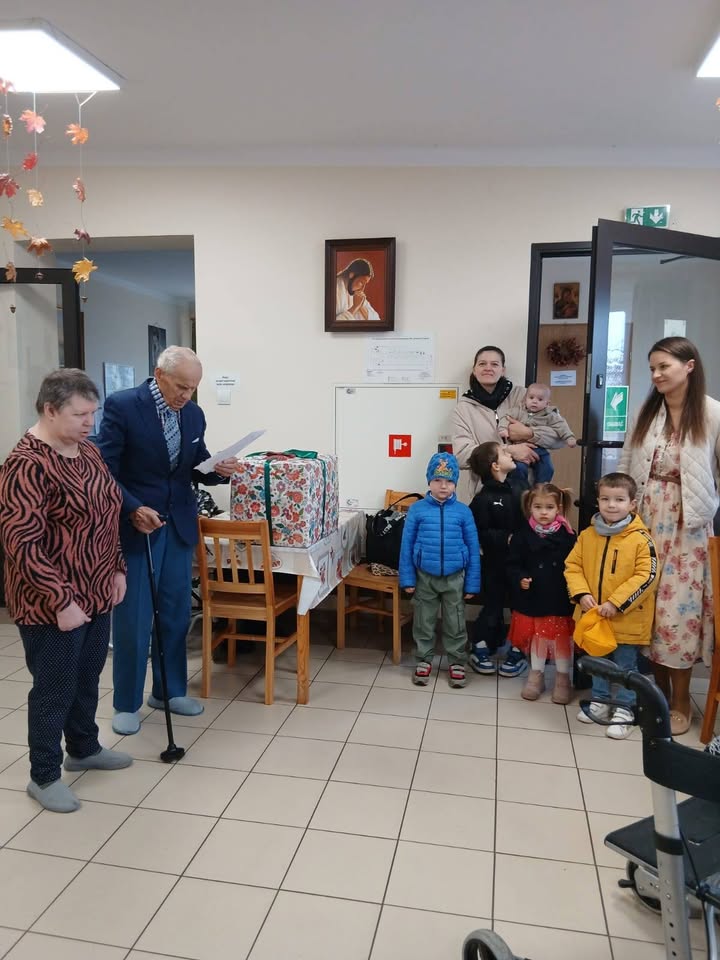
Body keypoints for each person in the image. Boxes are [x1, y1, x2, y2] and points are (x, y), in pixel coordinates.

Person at [0, 369, 132, 813]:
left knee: (87, 677)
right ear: (50, 410)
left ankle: (84, 747)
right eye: (80, 414)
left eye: (93, 413)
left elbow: (108, 511)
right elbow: (21, 542)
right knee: (54, 689)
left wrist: (116, 568)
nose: (90, 422)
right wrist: (61, 600)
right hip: (50, 603)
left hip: (96, 590)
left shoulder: (87, 450)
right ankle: (43, 775)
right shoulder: (26, 464)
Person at [97, 346, 239, 736]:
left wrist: (219, 471)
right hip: (138, 527)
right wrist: (131, 508)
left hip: (178, 527)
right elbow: (104, 470)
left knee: (175, 614)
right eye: (180, 386)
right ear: (159, 375)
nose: (186, 395)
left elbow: (194, 467)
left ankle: (169, 691)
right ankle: (126, 702)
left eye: (192, 388)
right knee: (134, 617)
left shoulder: (193, 414)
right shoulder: (124, 406)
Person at [618, 336, 720, 736]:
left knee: (678, 614)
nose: (657, 375)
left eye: (664, 366)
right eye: (652, 368)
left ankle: (680, 701)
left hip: (688, 527)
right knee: (647, 608)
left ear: (689, 366)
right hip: (645, 521)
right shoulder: (647, 413)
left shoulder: (711, 413)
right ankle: (656, 695)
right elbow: (627, 462)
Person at [564, 472, 659, 739]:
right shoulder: (587, 535)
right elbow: (573, 566)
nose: (612, 505)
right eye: (605, 499)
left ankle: (626, 708)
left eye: (619, 499)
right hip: (595, 617)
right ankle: (601, 701)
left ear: (632, 504)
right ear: (598, 502)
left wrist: (616, 603)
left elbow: (647, 576)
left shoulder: (641, 539)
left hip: (626, 619)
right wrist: (581, 594)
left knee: (625, 667)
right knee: (597, 663)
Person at [398, 452, 480, 688]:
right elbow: (406, 546)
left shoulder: (464, 512)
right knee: (423, 622)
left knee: (456, 622)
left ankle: (457, 661)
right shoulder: (417, 510)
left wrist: (472, 583)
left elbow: (473, 548)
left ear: (455, 483)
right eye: (437, 480)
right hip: (425, 577)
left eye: (449, 481)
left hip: (455, 578)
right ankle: (423, 660)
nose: (443, 486)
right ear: (429, 481)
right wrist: (407, 579)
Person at [506, 483, 577, 703]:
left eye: (549, 507)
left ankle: (563, 678)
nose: (543, 512)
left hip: (559, 599)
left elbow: (576, 565)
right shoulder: (521, 535)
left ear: (559, 508)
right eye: (538, 507)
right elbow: (513, 564)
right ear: (530, 507)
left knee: (561, 641)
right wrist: (520, 578)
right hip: (533, 598)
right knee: (538, 639)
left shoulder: (568, 536)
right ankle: (536, 675)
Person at [450, 345, 539, 503]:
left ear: (503, 370)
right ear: (474, 370)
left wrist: (529, 433)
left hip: (528, 494)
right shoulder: (463, 408)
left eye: (494, 364)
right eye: (482, 364)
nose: (488, 368)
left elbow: (556, 435)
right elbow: (461, 456)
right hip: (485, 495)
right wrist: (508, 450)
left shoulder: (525, 396)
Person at [467, 441, 524, 676]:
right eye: (503, 452)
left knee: (521, 606)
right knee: (492, 606)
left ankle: (518, 650)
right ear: (495, 466)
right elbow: (477, 531)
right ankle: (480, 646)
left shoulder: (518, 489)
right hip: (493, 563)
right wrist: (505, 538)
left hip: (519, 564)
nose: (509, 453)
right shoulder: (483, 498)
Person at [498, 382, 577, 484]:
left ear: (547, 403)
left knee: (548, 468)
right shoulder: (518, 411)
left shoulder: (550, 415)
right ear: (525, 399)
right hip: (520, 447)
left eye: (540, 399)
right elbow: (506, 417)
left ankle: (540, 488)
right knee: (519, 469)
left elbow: (561, 426)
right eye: (531, 398)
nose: (534, 401)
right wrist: (503, 428)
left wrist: (569, 437)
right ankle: (521, 489)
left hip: (540, 449)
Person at [335, 258, 381, 324]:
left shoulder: (355, 291)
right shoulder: (335, 289)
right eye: (361, 282)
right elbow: (336, 324)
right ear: (351, 275)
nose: (362, 289)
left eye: (365, 284)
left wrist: (360, 306)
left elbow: (376, 320)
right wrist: (355, 307)